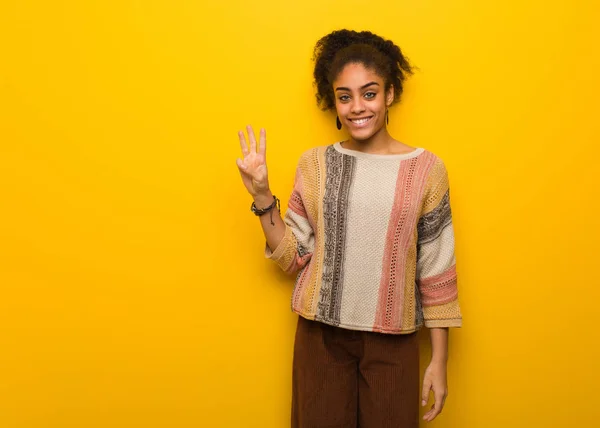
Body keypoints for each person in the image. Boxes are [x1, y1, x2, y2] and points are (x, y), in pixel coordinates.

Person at [235, 29, 462, 428]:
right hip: (320, 338)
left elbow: (437, 271)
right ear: (334, 102)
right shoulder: (315, 164)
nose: (357, 107)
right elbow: (291, 257)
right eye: (345, 97)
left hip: (394, 340)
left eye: (369, 93)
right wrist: (262, 193)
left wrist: (439, 362)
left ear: (390, 94)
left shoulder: (428, 170)